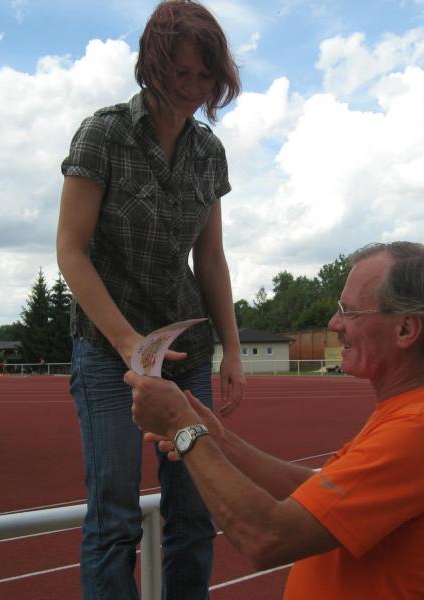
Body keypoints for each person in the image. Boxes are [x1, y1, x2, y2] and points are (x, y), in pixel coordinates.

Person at [127, 241, 424, 599]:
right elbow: (315, 493)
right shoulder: (410, 415)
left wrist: (183, 427)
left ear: (405, 329)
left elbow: (268, 537)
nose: (334, 323)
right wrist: (218, 440)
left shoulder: (421, 429)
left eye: (349, 312)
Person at [56, 1, 245, 598]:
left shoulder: (209, 153)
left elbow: (210, 259)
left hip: (185, 350)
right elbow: (71, 251)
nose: (193, 88)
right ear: (153, 67)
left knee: (194, 511)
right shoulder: (103, 134)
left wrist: (232, 349)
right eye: (181, 73)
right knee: (114, 519)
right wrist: (127, 343)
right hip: (108, 350)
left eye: (205, 75)